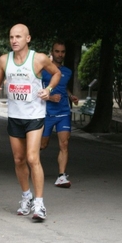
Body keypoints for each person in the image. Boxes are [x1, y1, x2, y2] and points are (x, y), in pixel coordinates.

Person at [0, 24, 61, 221]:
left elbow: (56, 73)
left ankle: (39, 203)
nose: (14, 40)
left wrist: (49, 89)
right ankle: (26, 196)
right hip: (14, 116)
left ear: (27, 39)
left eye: (18, 37)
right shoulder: (4, 60)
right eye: (11, 37)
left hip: (35, 115)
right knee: (19, 159)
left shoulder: (38, 58)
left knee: (32, 158)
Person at [41, 40, 79, 189]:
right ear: (52, 52)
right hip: (46, 112)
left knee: (64, 144)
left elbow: (63, 87)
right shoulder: (43, 71)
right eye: (57, 51)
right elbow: (35, 91)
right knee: (42, 145)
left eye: (62, 52)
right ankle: (29, 164)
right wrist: (50, 97)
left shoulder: (67, 71)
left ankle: (61, 176)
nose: (60, 54)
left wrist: (70, 96)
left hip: (63, 112)